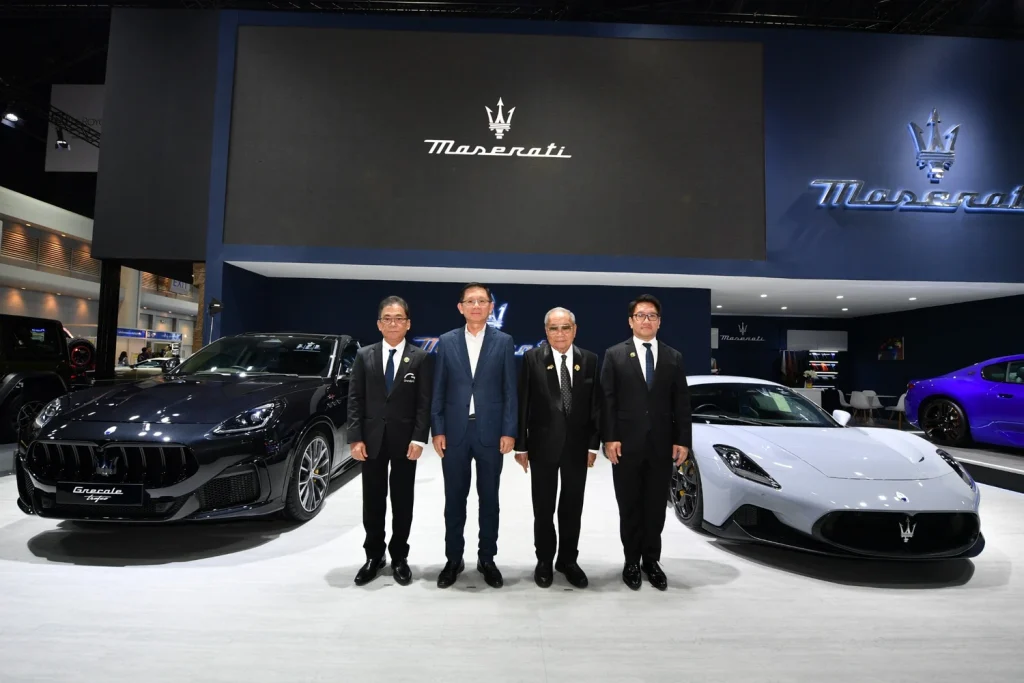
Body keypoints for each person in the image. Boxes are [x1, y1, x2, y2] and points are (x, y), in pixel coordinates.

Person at [600, 293, 691, 591]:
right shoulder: (614, 354)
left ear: (659, 322)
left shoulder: (673, 357)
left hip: (662, 446)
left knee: (655, 506)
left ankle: (651, 561)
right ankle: (630, 561)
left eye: (652, 315)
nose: (646, 320)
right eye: (640, 315)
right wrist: (609, 437)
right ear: (631, 321)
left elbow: (681, 402)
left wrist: (682, 440)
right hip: (625, 445)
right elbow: (607, 401)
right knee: (629, 505)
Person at [431, 283, 517, 589]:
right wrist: (437, 429)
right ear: (461, 307)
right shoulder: (447, 341)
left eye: (482, 301)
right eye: (471, 301)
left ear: (491, 307)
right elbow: (439, 388)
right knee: (454, 499)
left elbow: (510, 390)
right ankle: (453, 559)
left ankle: (487, 559)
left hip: (490, 432)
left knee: (489, 499)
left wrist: (509, 431)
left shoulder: (504, 341)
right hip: (455, 432)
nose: (477, 305)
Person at [347, 296, 434, 586]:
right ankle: (374, 556)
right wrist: (355, 438)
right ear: (379, 324)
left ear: (408, 324)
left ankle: (399, 556)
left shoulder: (420, 358)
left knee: (402, 500)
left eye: (399, 318)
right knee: (373, 500)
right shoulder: (365, 355)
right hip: (371, 441)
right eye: (387, 318)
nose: (393, 323)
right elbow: (355, 399)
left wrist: (419, 439)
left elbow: (424, 403)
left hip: (405, 442)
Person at [514, 307, 600, 589]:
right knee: (543, 508)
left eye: (565, 328)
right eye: (554, 328)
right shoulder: (532, 359)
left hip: (577, 448)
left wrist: (593, 445)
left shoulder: (590, 360)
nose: (560, 333)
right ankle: (544, 560)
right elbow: (523, 403)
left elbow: (595, 406)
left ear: (574, 330)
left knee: (572, 507)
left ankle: (568, 560)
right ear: (546, 331)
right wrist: (521, 446)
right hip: (542, 447)